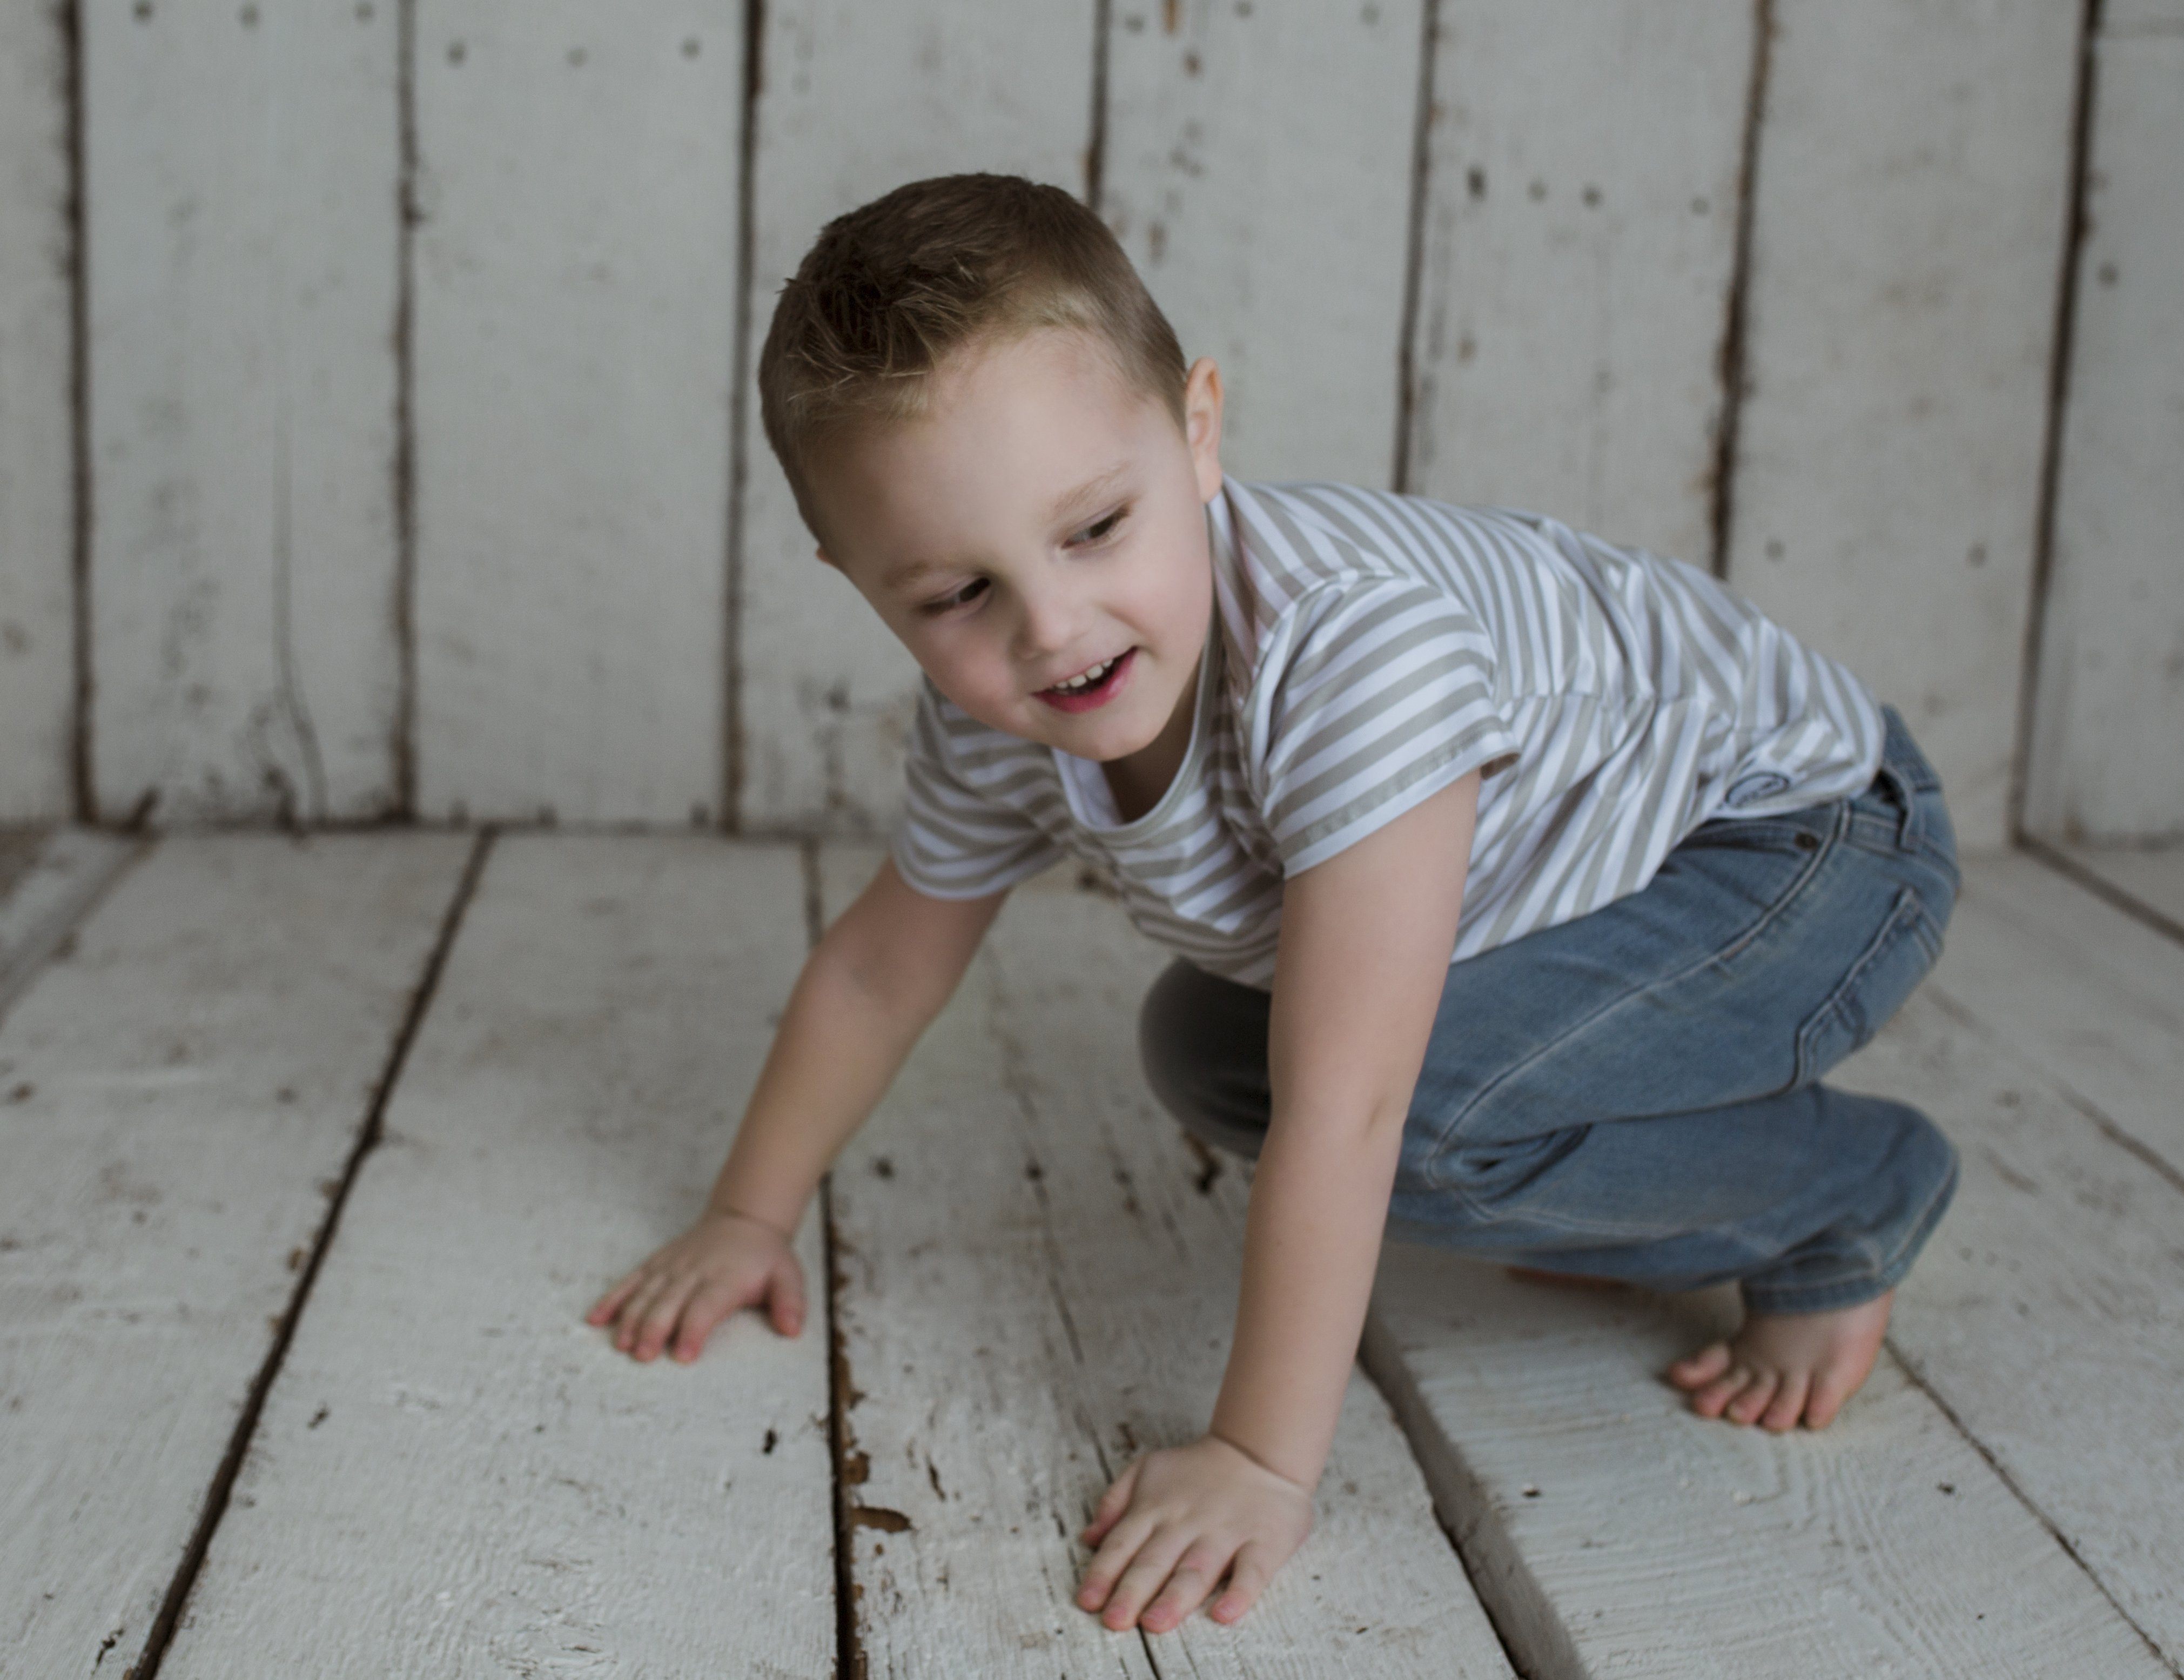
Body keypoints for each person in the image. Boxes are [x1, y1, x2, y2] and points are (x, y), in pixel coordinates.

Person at [587, 172, 1961, 1636]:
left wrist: (1256, 1457)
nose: (1051, 628)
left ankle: (1844, 1198)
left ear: (1194, 431)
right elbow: (878, 969)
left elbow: (1354, 1106)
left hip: (1805, 846)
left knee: (1419, 1108)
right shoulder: (1000, 716)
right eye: (951, 596)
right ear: (855, 581)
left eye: (1096, 527)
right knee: (1205, 1052)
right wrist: (749, 1212)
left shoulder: (1345, 646)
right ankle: (1599, 1163)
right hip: (1612, 875)